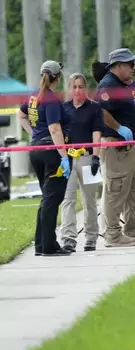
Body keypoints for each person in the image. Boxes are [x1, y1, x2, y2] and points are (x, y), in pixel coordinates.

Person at [95, 48, 135, 247]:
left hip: (129, 147)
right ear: (118, 65)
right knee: (116, 190)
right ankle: (113, 234)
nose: (133, 67)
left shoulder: (121, 84)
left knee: (132, 189)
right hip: (116, 146)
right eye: (130, 64)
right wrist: (119, 127)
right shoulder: (108, 86)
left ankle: (132, 230)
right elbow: (102, 111)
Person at [17, 60, 72, 256]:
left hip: (36, 150)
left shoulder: (33, 96)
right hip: (51, 151)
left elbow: (20, 114)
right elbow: (54, 128)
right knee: (52, 199)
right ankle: (48, 246)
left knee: (47, 199)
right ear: (58, 77)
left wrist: (33, 135)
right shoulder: (50, 99)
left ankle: (41, 244)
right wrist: (64, 156)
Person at [59, 73, 104, 252]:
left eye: (81, 86)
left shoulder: (94, 108)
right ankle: (68, 238)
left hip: (87, 157)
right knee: (68, 199)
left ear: (85, 88)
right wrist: (62, 157)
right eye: (74, 87)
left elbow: (97, 133)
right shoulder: (63, 109)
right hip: (68, 159)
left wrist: (96, 157)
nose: (77, 90)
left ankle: (91, 237)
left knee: (89, 200)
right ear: (69, 89)